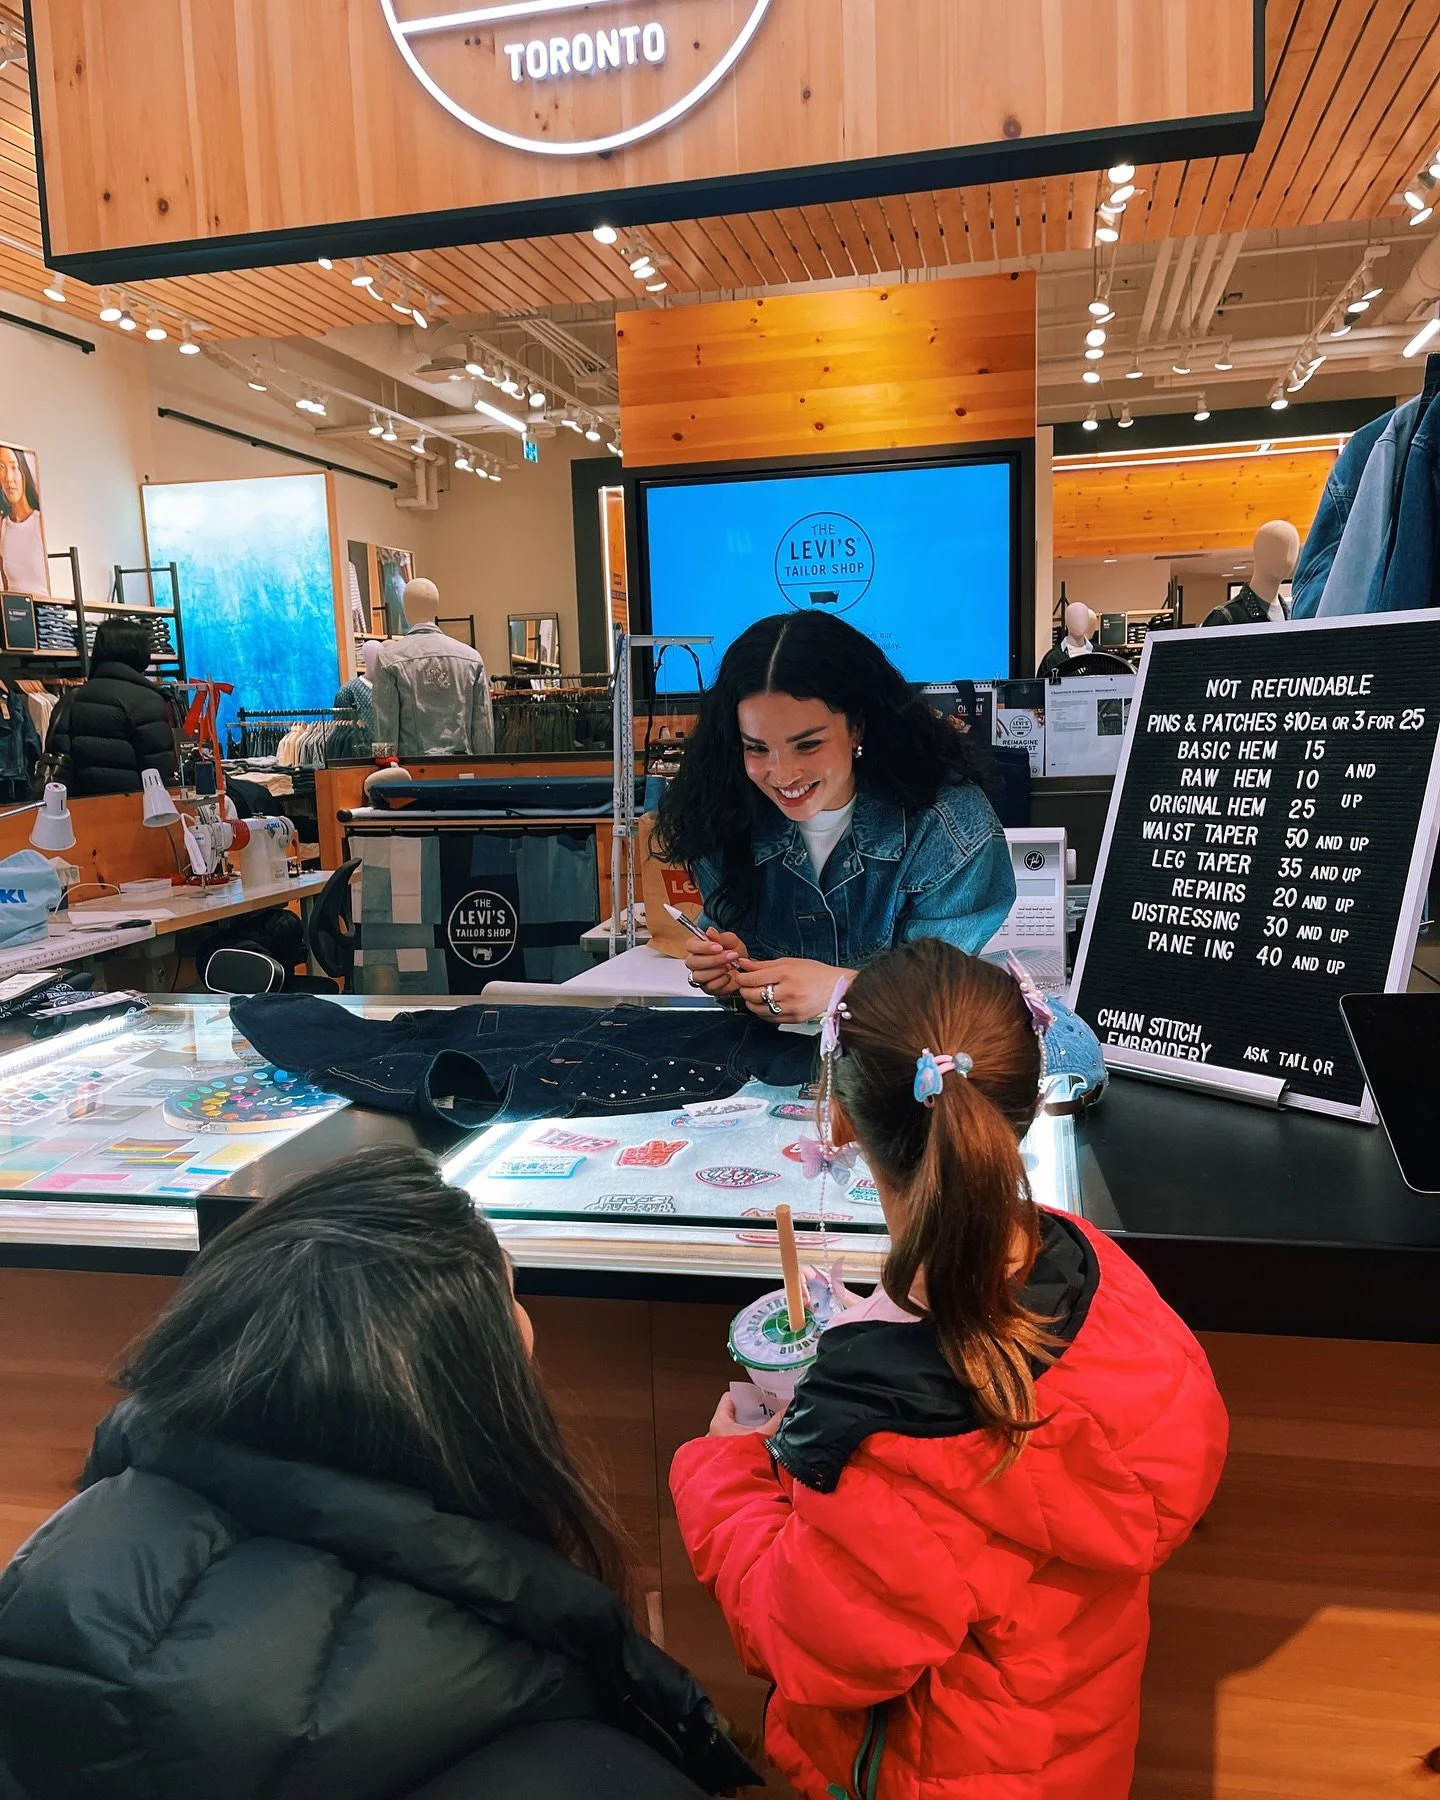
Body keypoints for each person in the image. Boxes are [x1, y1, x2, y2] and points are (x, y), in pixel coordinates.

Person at [0, 1150, 756, 1800]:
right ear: (459, 1386)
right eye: (509, 1302)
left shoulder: (46, 1595)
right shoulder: (579, 1768)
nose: (526, 1328)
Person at [671, 941, 1228, 1799]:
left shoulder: (893, 1430)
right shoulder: (1099, 1273)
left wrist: (720, 1474)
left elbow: (812, 1642)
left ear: (843, 1122)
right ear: (1024, 1103)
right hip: (1075, 1755)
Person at [654, 613, 1016, 1024]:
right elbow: (743, 972)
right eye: (756, 748)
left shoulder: (948, 825)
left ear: (858, 728)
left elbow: (948, 991)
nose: (783, 773)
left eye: (807, 745)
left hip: (900, 1073)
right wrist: (729, 973)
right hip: (764, 1072)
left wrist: (844, 992)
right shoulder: (723, 811)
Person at [46, 618, 177, 796]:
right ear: (142, 653)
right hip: (135, 812)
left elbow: (58, 758)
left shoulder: (70, 699)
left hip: (77, 813)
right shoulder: (146, 701)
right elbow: (160, 773)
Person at [0, 445, 49, 596]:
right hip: (13, 612)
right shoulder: (3, 526)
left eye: (14, 467)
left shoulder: (39, 522)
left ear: (23, 472)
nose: (8, 478)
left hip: (44, 612)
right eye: (1, 468)